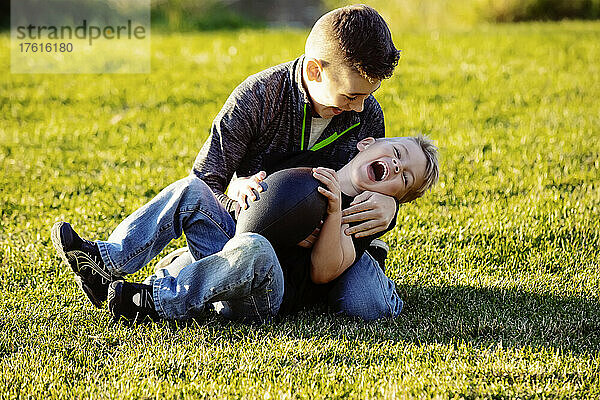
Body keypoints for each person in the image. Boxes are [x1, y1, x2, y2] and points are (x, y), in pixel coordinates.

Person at [52, 4, 406, 321]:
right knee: (192, 193)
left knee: (367, 305)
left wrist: (389, 208)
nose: (359, 107)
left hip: (317, 256)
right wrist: (232, 192)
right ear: (315, 71)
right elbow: (207, 180)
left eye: (367, 96)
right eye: (351, 95)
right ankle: (106, 263)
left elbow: (371, 186)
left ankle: (189, 272)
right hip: (245, 234)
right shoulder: (257, 97)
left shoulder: (366, 116)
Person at [51, 136, 439, 322]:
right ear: (369, 144)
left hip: (266, 294)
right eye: (399, 154)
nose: (395, 167)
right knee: (193, 190)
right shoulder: (306, 161)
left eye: (403, 180)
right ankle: (106, 262)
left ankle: (155, 300)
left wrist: (334, 211)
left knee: (254, 248)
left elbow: (323, 272)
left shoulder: (362, 213)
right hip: (229, 252)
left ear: (396, 198)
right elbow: (252, 204)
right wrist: (236, 186)